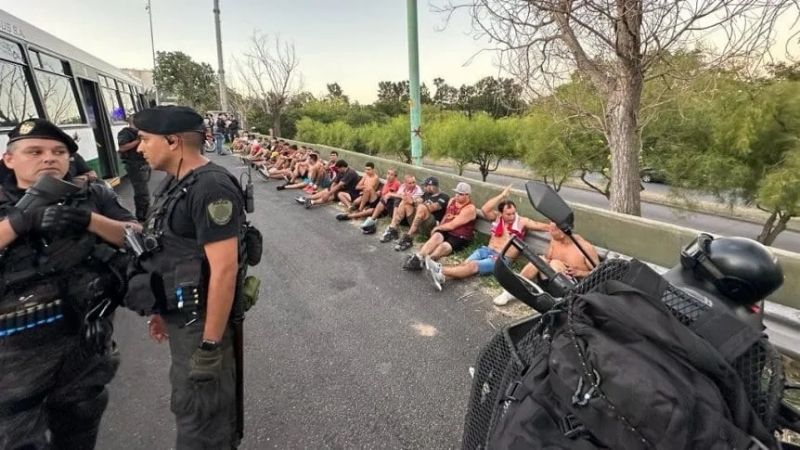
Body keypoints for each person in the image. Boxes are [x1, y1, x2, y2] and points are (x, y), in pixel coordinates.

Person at [0, 118, 137, 448]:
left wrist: (89, 219)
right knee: (17, 438)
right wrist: (22, 220)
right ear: (9, 159)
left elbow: (137, 236)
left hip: (84, 340)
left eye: (59, 151)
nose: (49, 158)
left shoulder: (92, 194)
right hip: (14, 352)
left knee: (80, 423)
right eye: (35, 151)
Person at [129, 106, 246, 448]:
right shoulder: (175, 182)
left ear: (173, 141)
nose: (140, 147)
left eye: (145, 139)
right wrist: (160, 310)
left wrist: (210, 345)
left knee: (201, 416)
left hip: (202, 324)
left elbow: (224, 270)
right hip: (182, 316)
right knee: (190, 405)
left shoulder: (211, 187)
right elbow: (169, 252)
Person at [426, 185, 550, 291]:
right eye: (508, 214)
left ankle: (440, 269)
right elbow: (485, 209)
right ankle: (442, 277)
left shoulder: (522, 222)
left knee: (472, 266)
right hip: (486, 250)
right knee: (465, 265)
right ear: (501, 213)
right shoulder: (497, 218)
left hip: (501, 258)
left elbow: (543, 226)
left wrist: (555, 224)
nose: (512, 216)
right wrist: (502, 195)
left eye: (513, 213)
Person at [492, 221, 599, 306]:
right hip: (549, 281)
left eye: (552, 230)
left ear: (562, 233)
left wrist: (580, 272)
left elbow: (599, 274)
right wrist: (546, 260)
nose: (549, 232)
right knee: (540, 260)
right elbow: (548, 258)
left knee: (555, 263)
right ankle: (510, 292)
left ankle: (560, 301)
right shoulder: (555, 240)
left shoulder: (584, 248)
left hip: (571, 288)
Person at [402, 182, 477, 270]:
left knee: (444, 246)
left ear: (467, 195)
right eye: (456, 192)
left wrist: (437, 227)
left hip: (460, 235)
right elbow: (446, 216)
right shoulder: (452, 201)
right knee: (436, 236)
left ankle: (429, 259)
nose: (457, 195)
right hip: (446, 230)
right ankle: (419, 257)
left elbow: (452, 225)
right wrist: (439, 228)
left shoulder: (469, 209)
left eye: (460, 194)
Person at [392, 176, 450, 250]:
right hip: (419, 222)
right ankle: (393, 229)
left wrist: (415, 203)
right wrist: (411, 200)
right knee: (405, 203)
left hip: (430, 225)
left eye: (425, 186)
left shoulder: (444, 197)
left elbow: (432, 208)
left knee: (422, 207)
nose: (424, 187)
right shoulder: (426, 194)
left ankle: (408, 237)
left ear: (432, 187)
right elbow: (418, 200)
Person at [117, 115, 151, 222]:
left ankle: (144, 214)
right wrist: (138, 141)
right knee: (142, 192)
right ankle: (143, 216)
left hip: (143, 164)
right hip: (134, 165)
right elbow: (122, 148)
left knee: (143, 191)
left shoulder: (140, 132)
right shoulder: (125, 133)